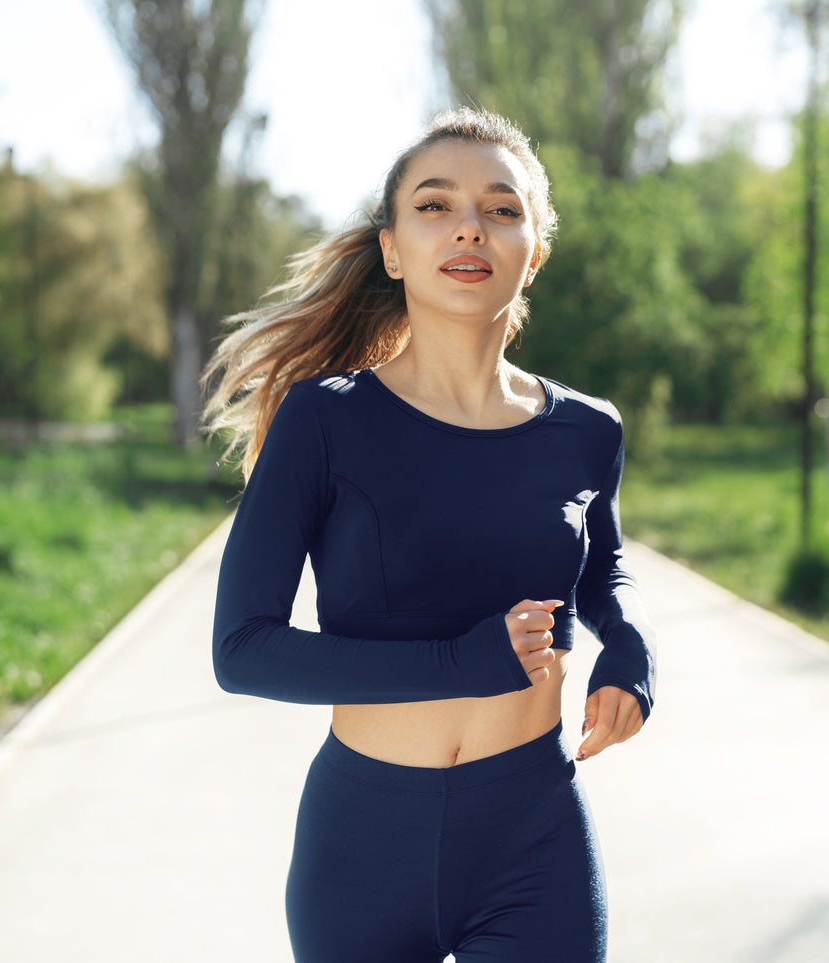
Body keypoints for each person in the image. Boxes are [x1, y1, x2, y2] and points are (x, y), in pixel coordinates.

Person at [202, 107, 657, 963]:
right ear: (392, 247)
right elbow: (242, 649)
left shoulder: (588, 429)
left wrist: (631, 650)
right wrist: (457, 663)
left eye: (501, 208)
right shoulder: (324, 422)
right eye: (435, 205)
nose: (469, 228)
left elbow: (604, 572)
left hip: (533, 836)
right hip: (364, 845)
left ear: (535, 252)